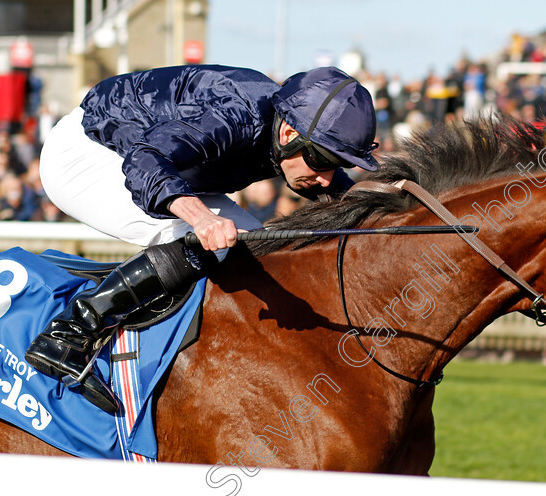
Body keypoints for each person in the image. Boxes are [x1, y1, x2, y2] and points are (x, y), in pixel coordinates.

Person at [24, 65, 378, 413]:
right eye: (323, 159)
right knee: (208, 242)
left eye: (338, 163)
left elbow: (340, 191)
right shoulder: (234, 116)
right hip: (86, 153)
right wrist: (201, 218)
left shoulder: (289, 129)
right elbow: (146, 161)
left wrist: (380, 204)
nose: (328, 178)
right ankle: (68, 334)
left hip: (144, 156)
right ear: (288, 134)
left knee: (255, 250)